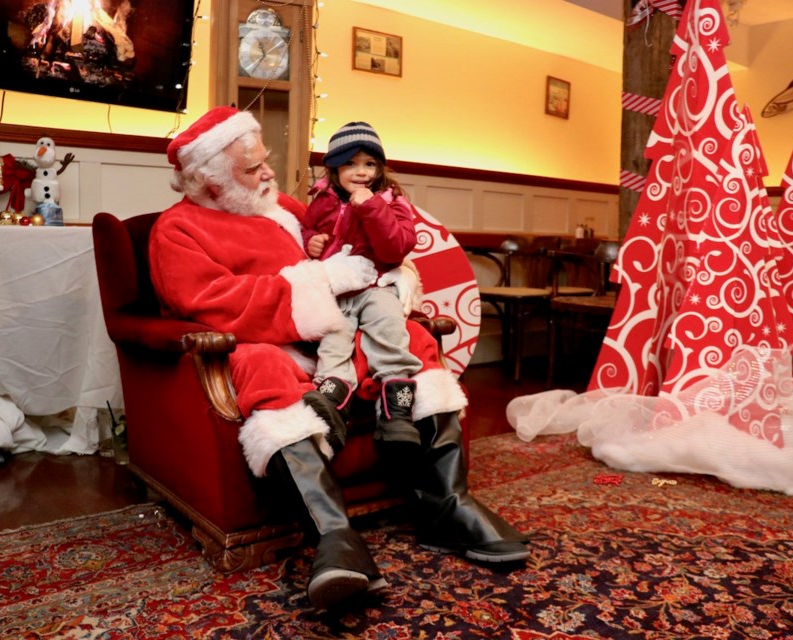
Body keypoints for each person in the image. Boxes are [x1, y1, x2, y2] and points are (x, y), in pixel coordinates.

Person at [148, 106, 529, 611]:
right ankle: (336, 536)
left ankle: (445, 504)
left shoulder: (281, 207)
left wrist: (395, 277)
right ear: (210, 180)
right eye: (252, 168)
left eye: (266, 161)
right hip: (266, 343)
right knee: (263, 365)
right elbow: (212, 302)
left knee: (414, 340)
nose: (269, 174)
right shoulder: (178, 230)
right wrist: (323, 283)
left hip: (334, 333)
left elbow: (356, 243)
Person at [302, 122, 422, 456]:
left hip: (375, 284)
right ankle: (332, 403)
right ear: (334, 168)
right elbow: (308, 228)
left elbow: (395, 248)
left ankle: (397, 410)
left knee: (389, 328)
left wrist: (371, 206)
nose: (361, 172)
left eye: (369, 164)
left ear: (380, 168)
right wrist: (310, 241)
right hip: (336, 290)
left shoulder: (392, 200)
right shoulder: (322, 200)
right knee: (333, 339)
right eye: (351, 164)